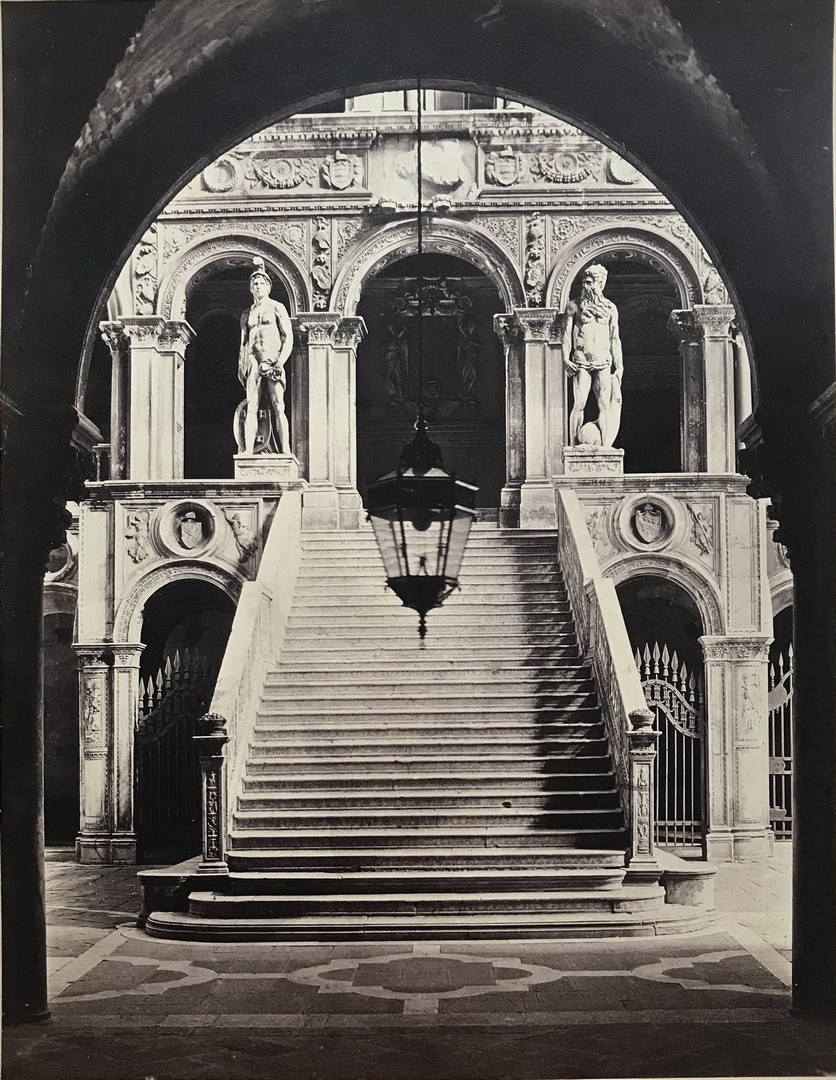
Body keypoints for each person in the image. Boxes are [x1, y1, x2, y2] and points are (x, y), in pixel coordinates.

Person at [562, 263, 623, 446]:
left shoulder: (610, 308)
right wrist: (565, 358)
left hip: (603, 361)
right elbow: (566, 334)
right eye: (585, 282)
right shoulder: (574, 306)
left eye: (591, 283)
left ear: (601, 284)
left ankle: (605, 448)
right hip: (581, 361)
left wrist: (620, 366)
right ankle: (572, 447)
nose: (587, 287)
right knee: (579, 403)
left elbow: (615, 338)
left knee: (604, 406)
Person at [237, 257, 293, 455]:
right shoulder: (247, 314)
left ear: (268, 287)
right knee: (252, 405)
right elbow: (244, 343)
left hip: (272, 359)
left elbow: (288, 337)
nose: (258, 286)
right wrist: (241, 367)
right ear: (251, 288)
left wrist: (280, 362)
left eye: (261, 283)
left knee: (279, 406)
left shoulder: (277, 307)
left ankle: (286, 450)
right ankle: (249, 450)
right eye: (255, 284)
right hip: (253, 360)